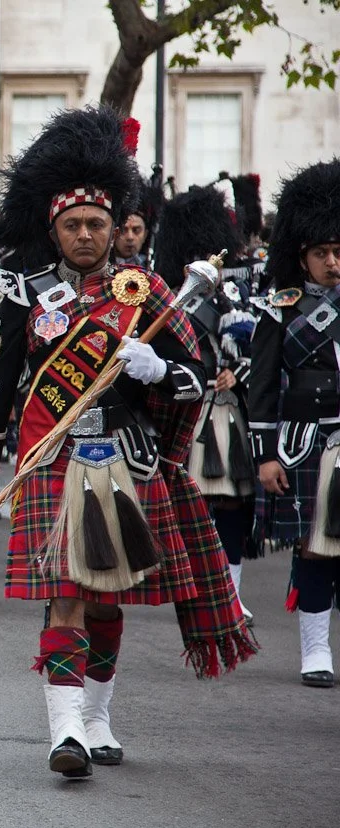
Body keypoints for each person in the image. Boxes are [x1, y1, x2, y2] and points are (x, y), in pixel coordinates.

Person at [0, 105, 256, 779]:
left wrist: (155, 369)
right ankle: (65, 731)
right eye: (74, 225)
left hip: (125, 458)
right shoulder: (26, 294)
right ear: (53, 229)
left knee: (104, 598)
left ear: (115, 225)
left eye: (97, 223)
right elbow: (1, 385)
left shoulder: (145, 291)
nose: (87, 235)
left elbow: (196, 376)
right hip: (54, 455)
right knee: (65, 593)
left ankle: (97, 718)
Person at [248, 157, 340, 688]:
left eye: (338, 251)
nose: (332, 262)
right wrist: (265, 457)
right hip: (306, 443)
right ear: (301, 256)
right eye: (321, 252)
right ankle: (315, 650)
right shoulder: (279, 308)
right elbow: (261, 388)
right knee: (314, 547)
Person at [153, 186, 257, 624]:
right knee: (185, 502)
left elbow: (256, 347)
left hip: (222, 406)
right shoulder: (166, 297)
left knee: (230, 502)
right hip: (185, 410)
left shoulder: (231, 295)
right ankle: (192, 588)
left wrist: (239, 372)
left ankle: (231, 592)